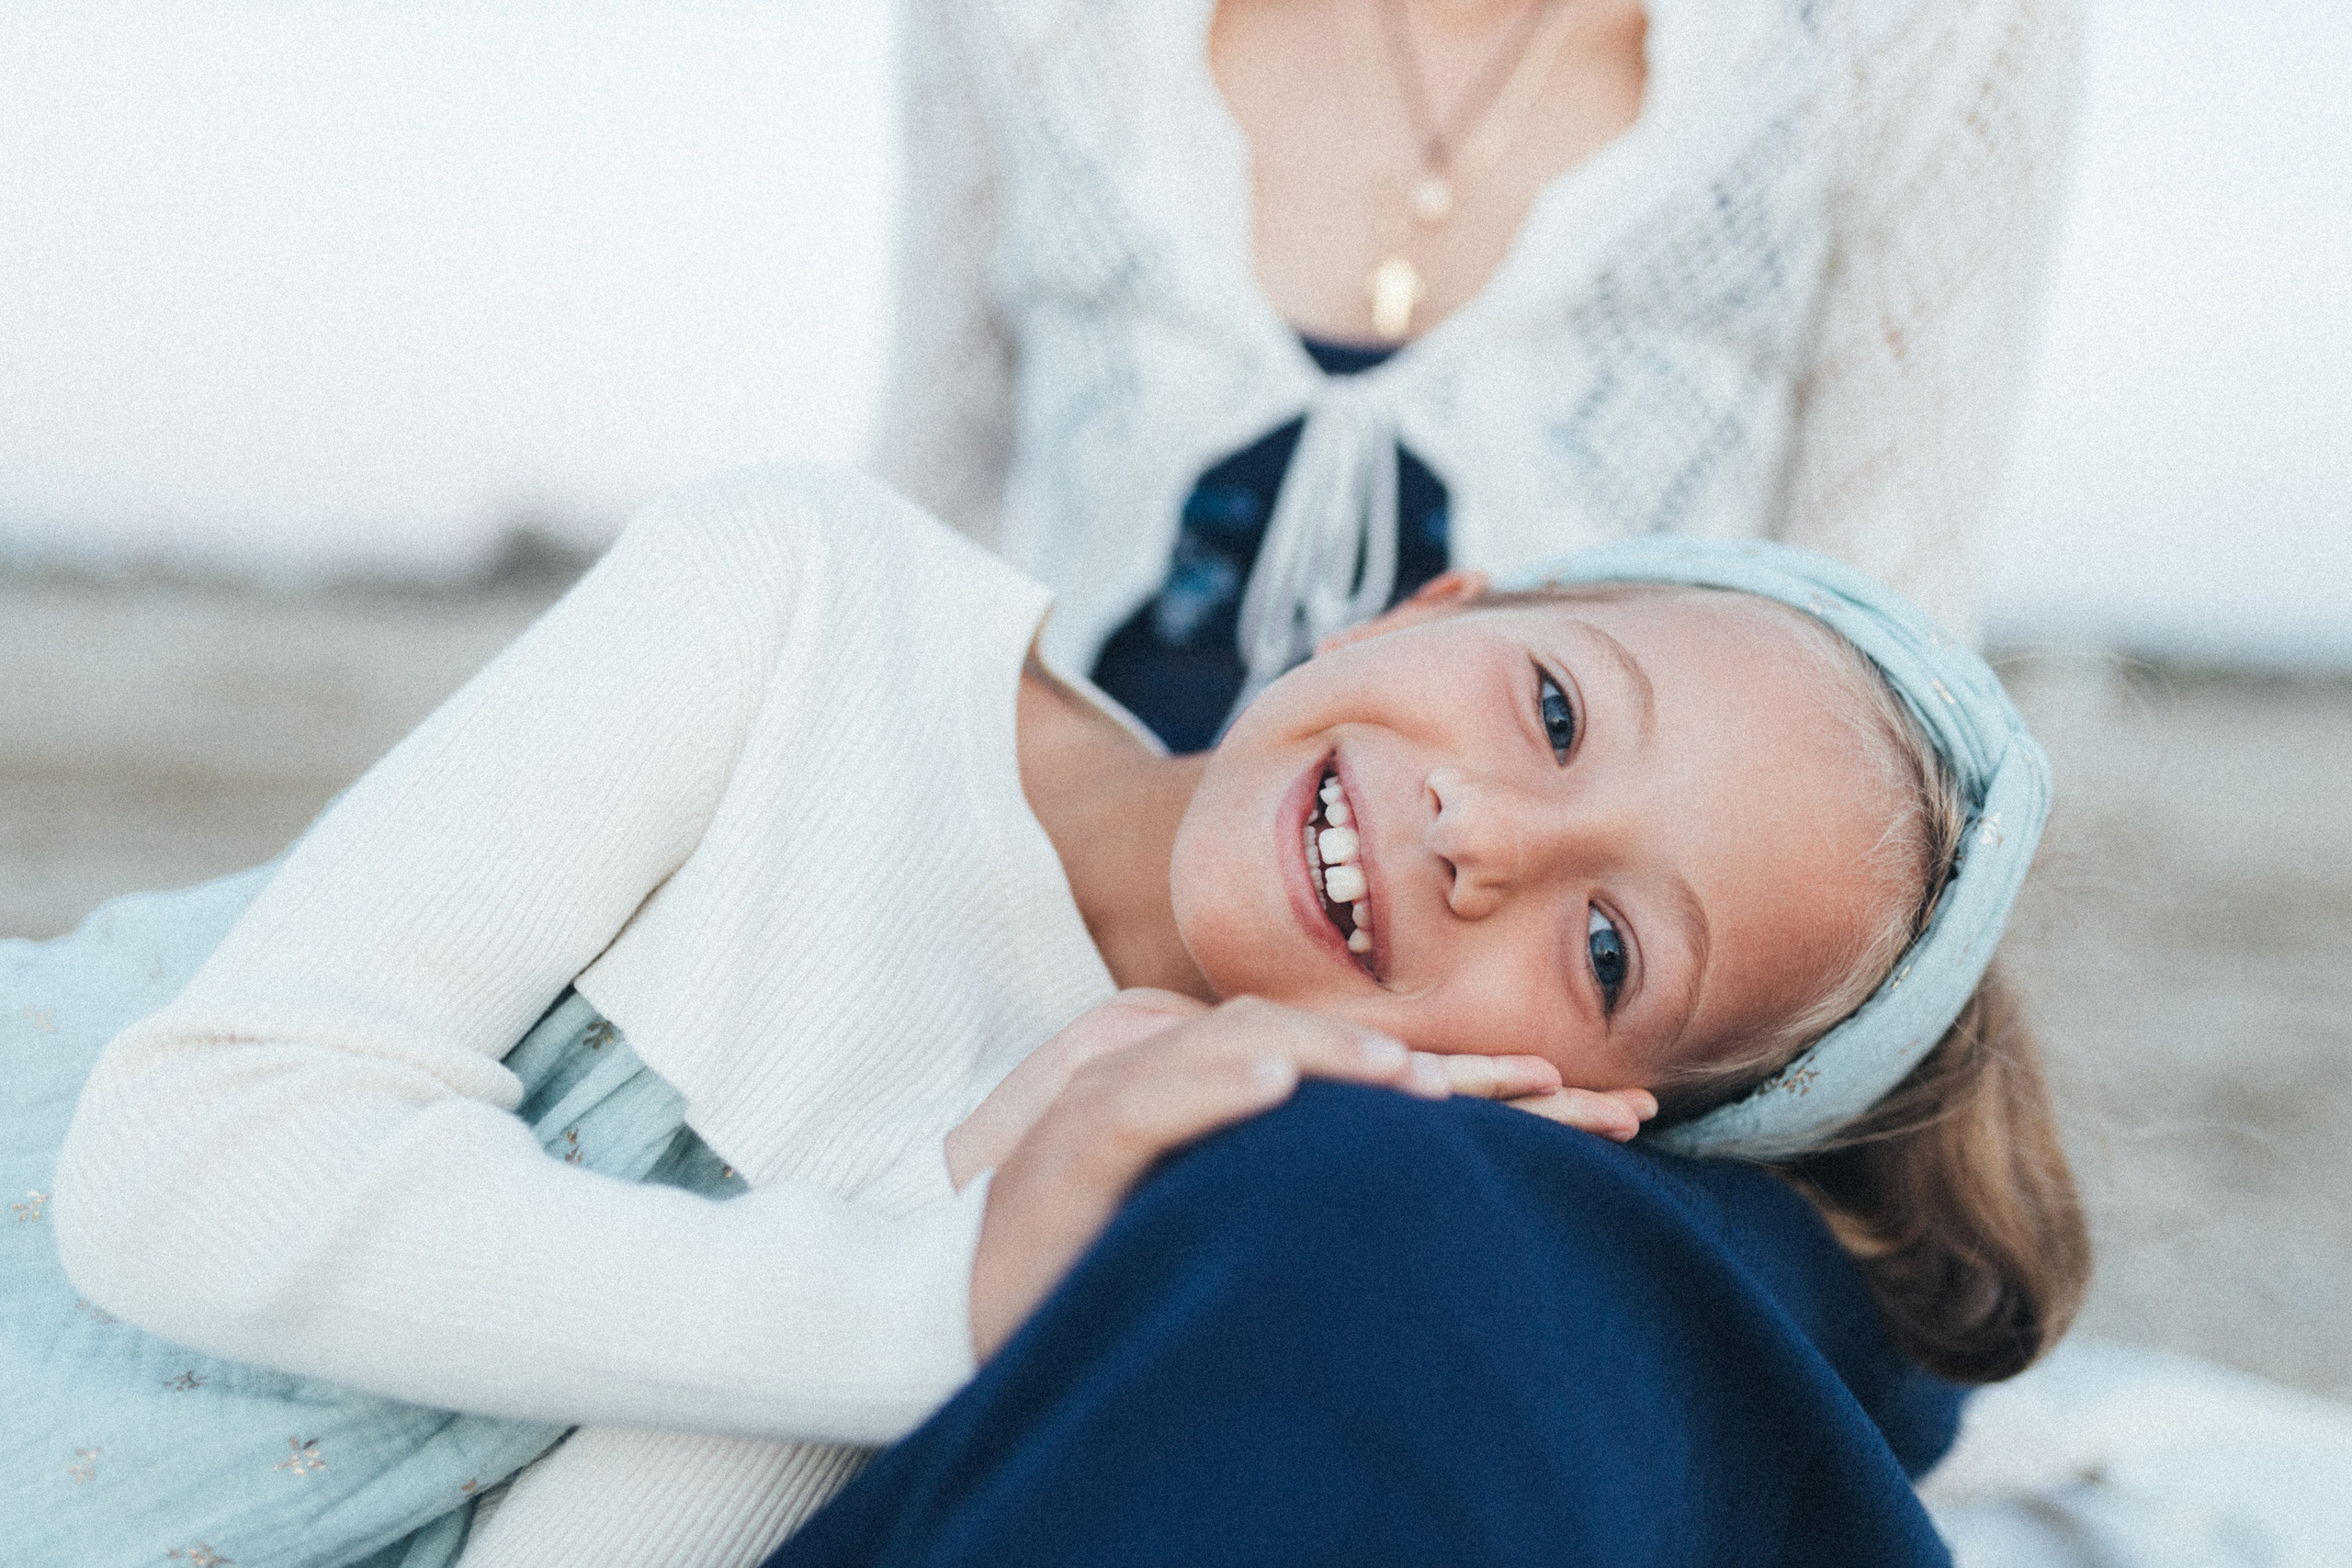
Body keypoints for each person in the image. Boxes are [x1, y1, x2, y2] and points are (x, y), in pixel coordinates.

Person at [8, 464, 2080, 1565]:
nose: (1484, 838)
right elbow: (181, 1167)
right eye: (1550, 710)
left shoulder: (1152, 1204)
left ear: (1566, 1105)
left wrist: (964, 1208)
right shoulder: (808, 605)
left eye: (1613, 947)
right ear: (1431, 608)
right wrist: (935, 1294)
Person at [873, 0, 2082, 750]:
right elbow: (912, 544)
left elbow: (1882, 709)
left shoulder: (1923, 31)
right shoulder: (1032, 21)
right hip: (1033, 929)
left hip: (1504, 1063)